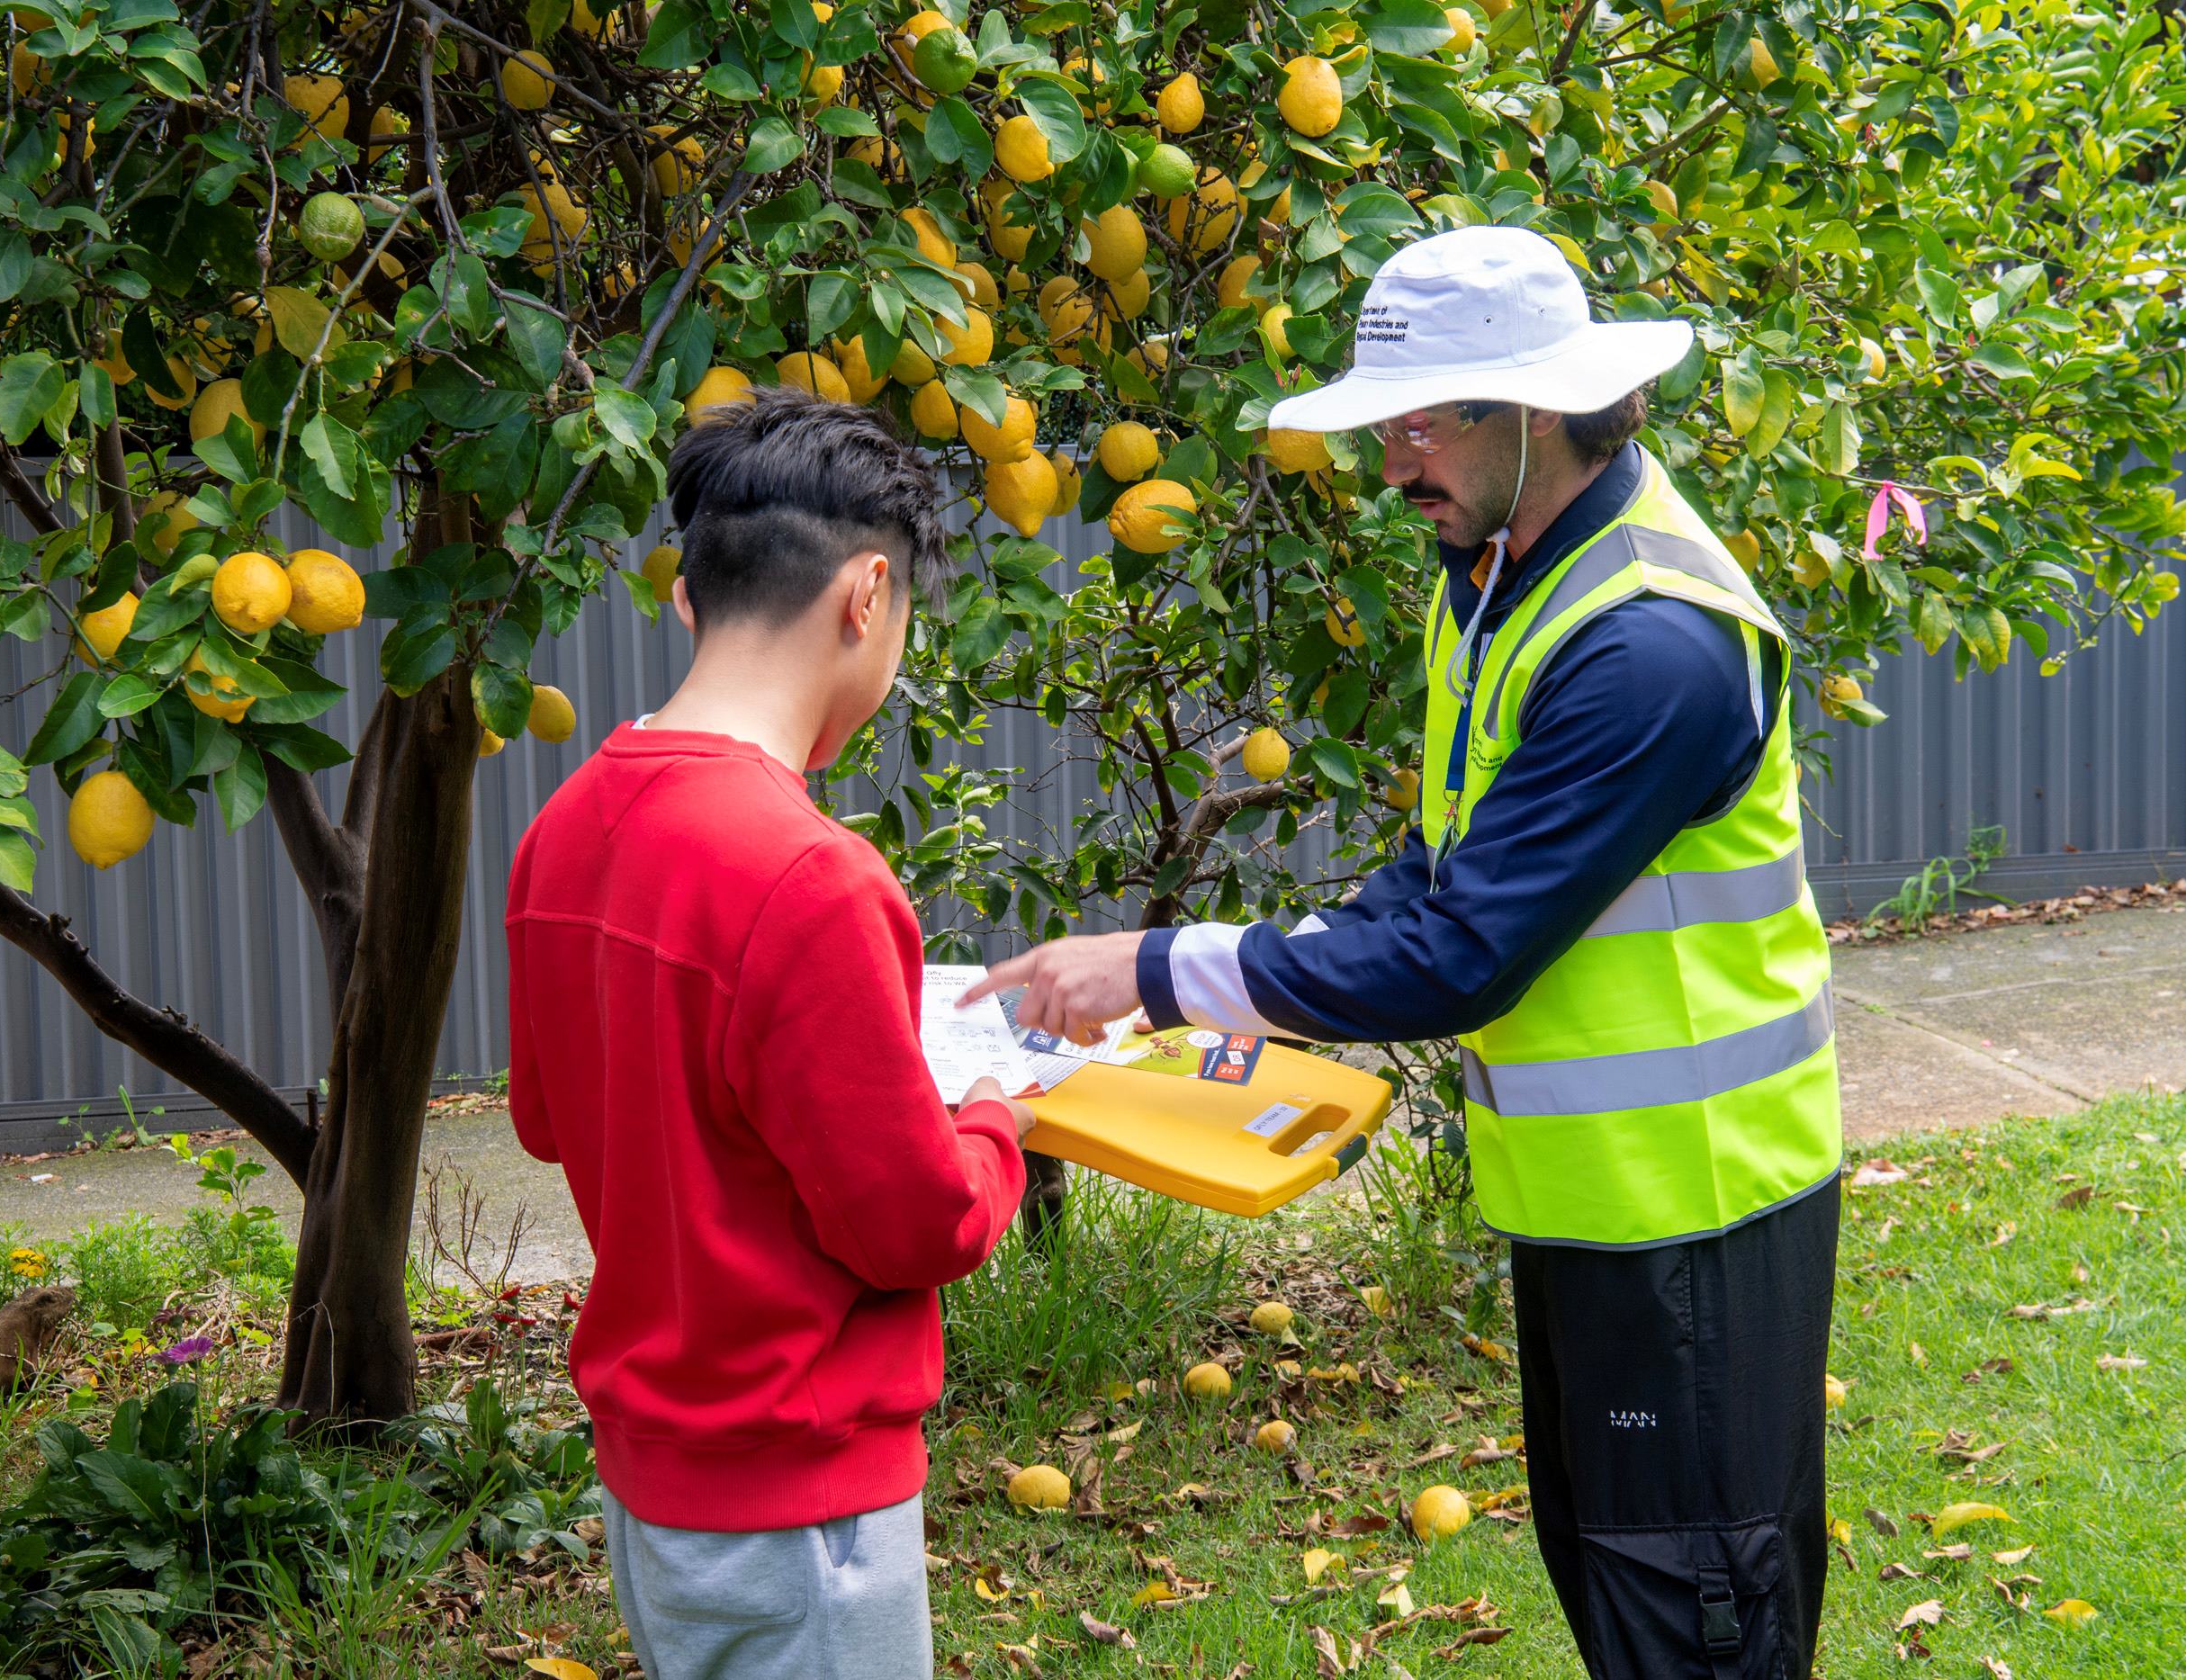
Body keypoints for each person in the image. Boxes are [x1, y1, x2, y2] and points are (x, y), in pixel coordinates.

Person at [967, 225, 1843, 1680]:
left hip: (1692, 1216)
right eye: (1389, 425)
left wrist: (1160, 969)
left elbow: (1460, 955)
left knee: (1694, 1614)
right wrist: (1203, 996)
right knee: (1625, 1580)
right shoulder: (1502, 571)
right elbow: (1441, 872)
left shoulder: (1650, 647)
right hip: (1596, 1207)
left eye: (1426, 424)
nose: (1393, 462)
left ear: (1540, 409)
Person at [507, 389, 1033, 1679]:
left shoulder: (562, 829)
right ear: (867, 597)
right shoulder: (811, 876)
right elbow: (916, 1225)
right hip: (805, 1506)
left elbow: (543, 1116)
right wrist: (993, 1118)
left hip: (654, 1491)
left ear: (692, 595)